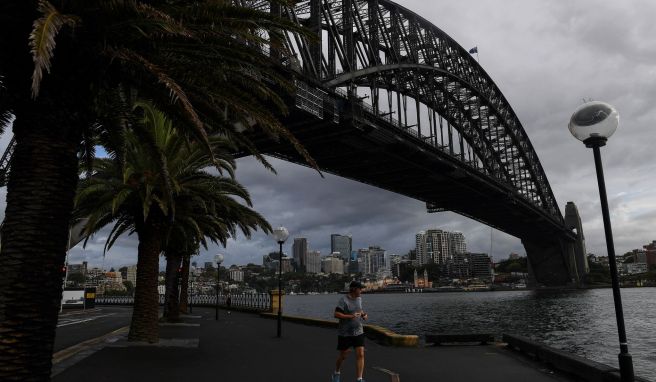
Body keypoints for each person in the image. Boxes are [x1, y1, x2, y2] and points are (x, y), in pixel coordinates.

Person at [332, 280, 368, 382]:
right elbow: (336, 314)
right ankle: (336, 372)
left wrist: (364, 314)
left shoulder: (359, 299)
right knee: (343, 356)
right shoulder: (343, 300)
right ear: (354, 289)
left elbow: (359, 310)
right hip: (345, 333)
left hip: (358, 331)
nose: (361, 290)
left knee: (360, 354)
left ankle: (359, 379)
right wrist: (351, 316)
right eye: (360, 288)